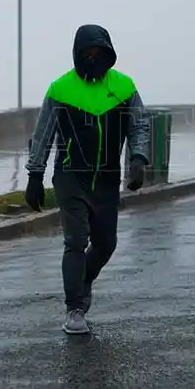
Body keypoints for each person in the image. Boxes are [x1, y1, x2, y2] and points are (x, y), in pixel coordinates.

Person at [24, 23, 151, 335]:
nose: (93, 58)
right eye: (87, 53)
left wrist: (138, 158)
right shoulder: (61, 89)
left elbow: (139, 125)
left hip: (107, 179)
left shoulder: (123, 87)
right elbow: (43, 134)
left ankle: (85, 280)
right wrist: (35, 175)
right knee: (76, 240)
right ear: (77, 54)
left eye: (99, 52)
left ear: (108, 53)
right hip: (71, 177)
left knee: (106, 243)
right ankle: (74, 308)